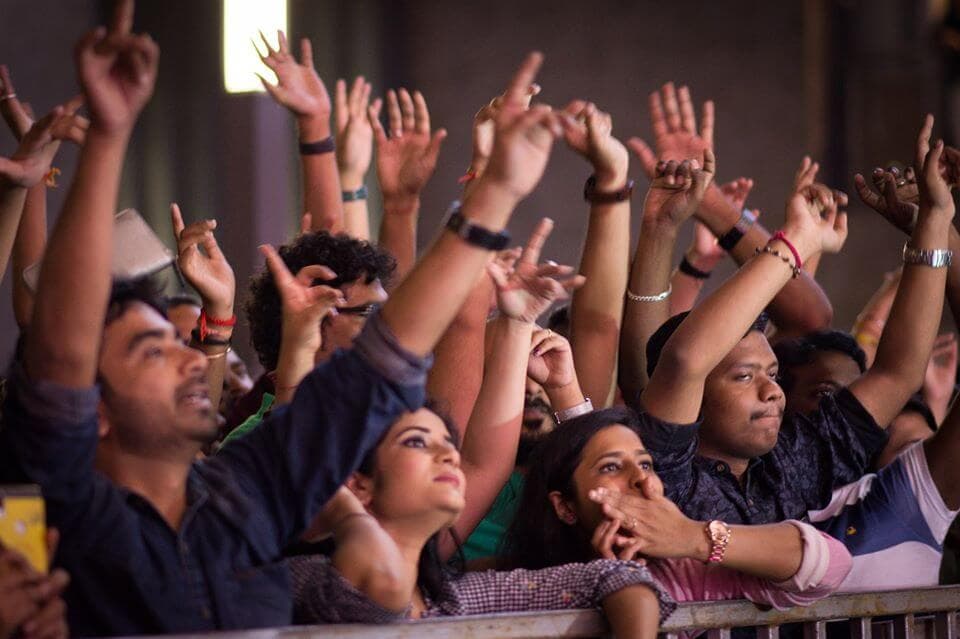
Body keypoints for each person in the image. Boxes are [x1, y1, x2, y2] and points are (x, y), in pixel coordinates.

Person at [0, 0, 565, 628]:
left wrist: (496, 193)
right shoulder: (70, 506)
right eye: (151, 351)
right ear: (95, 410)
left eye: (177, 342)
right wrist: (107, 139)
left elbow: (391, 350)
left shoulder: (247, 495)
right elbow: (59, 349)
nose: (192, 358)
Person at [635, 115, 951, 525]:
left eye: (771, 372)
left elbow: (897, 374)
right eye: (744, 376)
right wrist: (797, 241)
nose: (773, 392)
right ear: (690, 396)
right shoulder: (663, 469)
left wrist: (934, 221)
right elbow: (685, 360)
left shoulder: (795, 462)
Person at [288, 404, 673, 639]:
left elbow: (617, 577)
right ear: (358, 482)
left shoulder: (457, 599)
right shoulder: (301, 579)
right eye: (418, 442)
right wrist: (345, 511)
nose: (449, 455)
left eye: (449, 444)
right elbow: (378, 595)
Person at [499, 407, 852, 612]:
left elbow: (831, 564)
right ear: (565, 507)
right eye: (611, 468)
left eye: (646, 465)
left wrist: (694, 537)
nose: (643, 482)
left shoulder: (681, 570)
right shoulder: (520, 584)